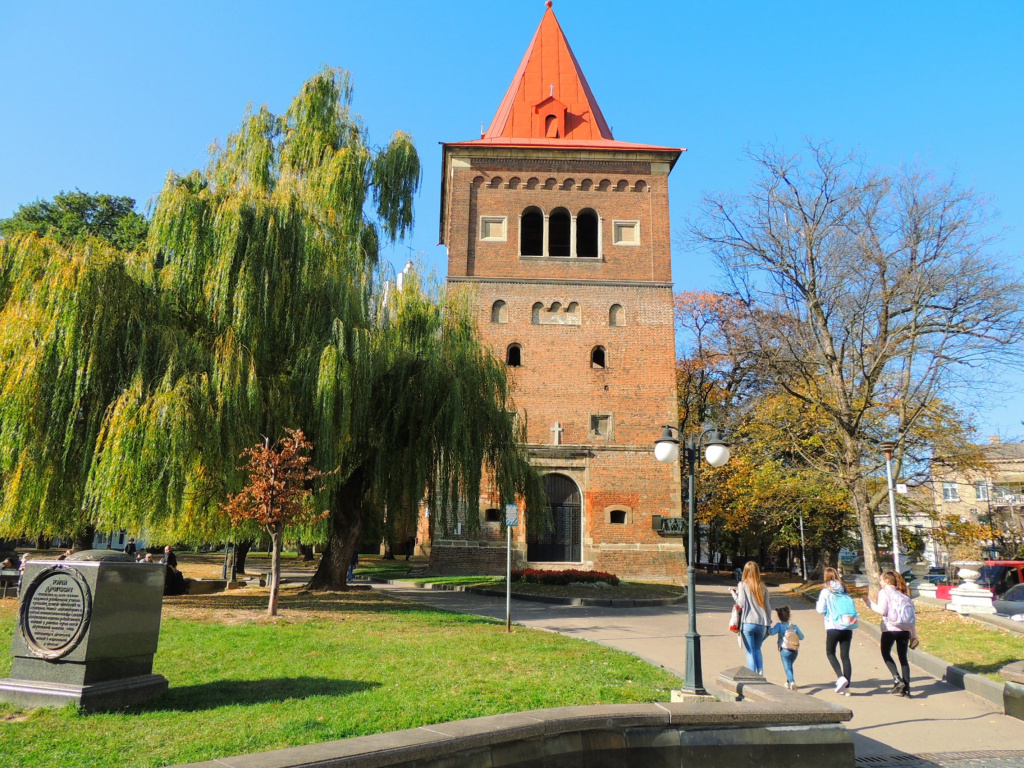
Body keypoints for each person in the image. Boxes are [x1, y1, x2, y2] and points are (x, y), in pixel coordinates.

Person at [868, 570, 917, 697]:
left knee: (885, 653)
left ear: (887, 581)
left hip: (890, 629)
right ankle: (907, 689)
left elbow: (881, 610)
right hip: (905, 630)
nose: (880, 582)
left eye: (881, 580)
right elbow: (911, 617)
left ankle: (897, 679)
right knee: (903, 658)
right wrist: (913, 635)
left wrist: (867, 602)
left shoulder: (884, 592)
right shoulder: (904, 595)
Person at [816, 567, 857, 696]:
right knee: (845, 656)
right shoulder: (845, 590)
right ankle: (847, 689)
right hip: (847, 626)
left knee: (830, 652)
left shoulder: (826, 591)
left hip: (833, 626)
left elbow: (820, 610)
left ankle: (841, 677)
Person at [730, 561, 773, 675]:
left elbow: (741, 603)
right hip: (762, 623)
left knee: (750, 651)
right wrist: (768, 621)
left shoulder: (742, 585)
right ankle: (760, 673)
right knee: (757, 649)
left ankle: (752, 676)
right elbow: (768, 607)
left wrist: (733, 593)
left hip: (748, 622)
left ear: (745, 572)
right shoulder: (763, 586)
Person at [768, 606, 805, 690]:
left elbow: (771, 632)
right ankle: (788, 681)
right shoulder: (794, 627)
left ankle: (792, 682)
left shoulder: (779, 626)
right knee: (790, 665)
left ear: (779, 617)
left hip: (784, 649)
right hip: (794, 650)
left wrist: (769, 624)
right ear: (789, 616)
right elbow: (802, 637)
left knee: (787, 667)